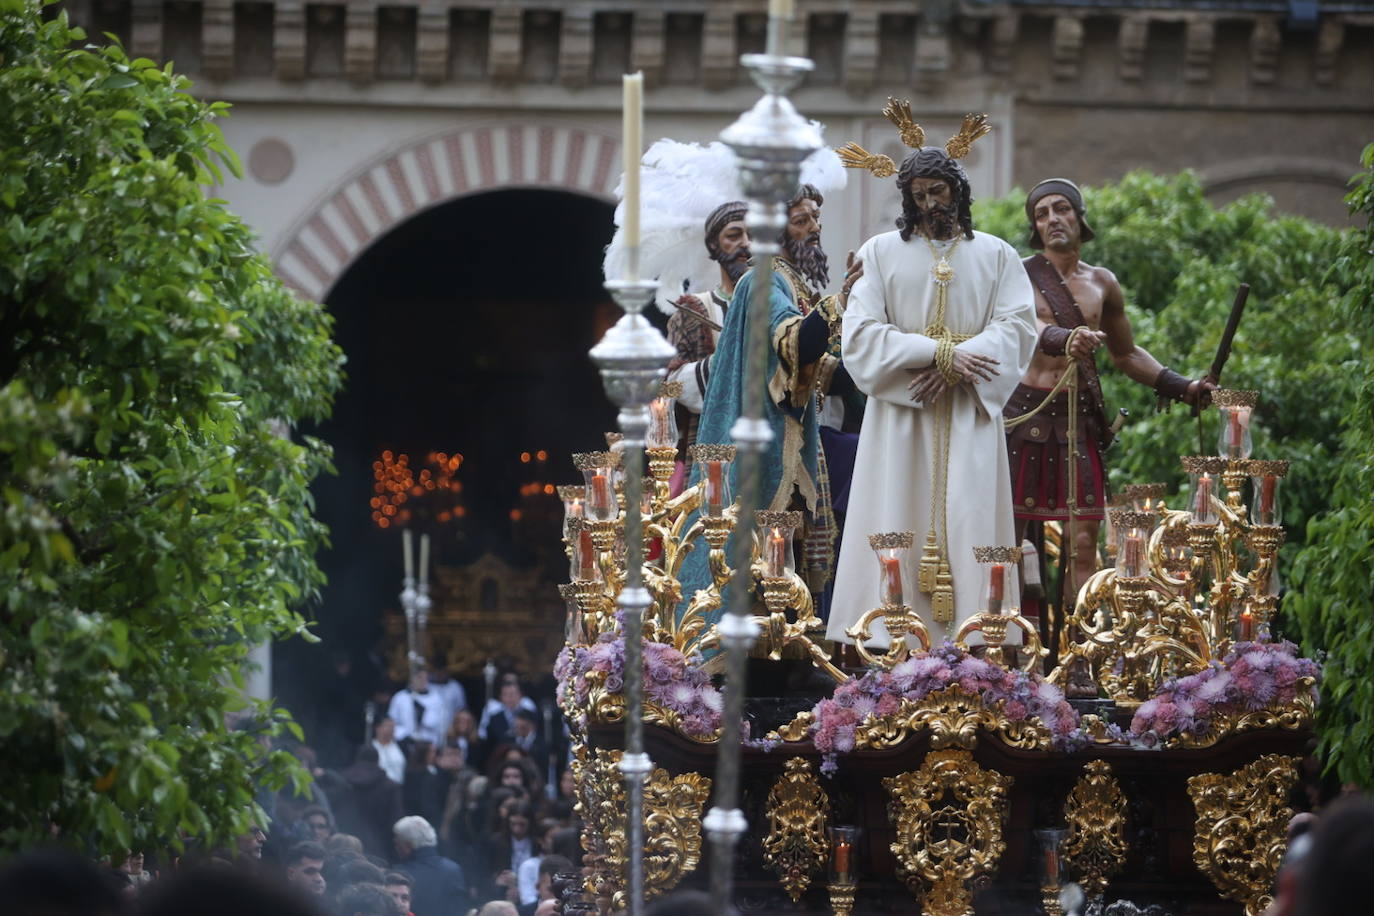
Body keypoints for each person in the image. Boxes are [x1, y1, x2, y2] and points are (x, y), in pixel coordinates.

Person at [827, 109, 1037, 647]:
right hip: (902, 415)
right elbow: (862, 335)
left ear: (958, 190)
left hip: (968, 411)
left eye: (939, 191)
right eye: (919, 194)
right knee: (895, 511)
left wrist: (962, 367)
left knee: (971, 517)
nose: (930, 205)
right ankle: (887, 644)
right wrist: (939, 355)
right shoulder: (880, 253)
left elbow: (1017, 325)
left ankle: (976, 641)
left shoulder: (996, 254)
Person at [1006, 178, 1215, 596]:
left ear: (1080, 218)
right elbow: (1026, 326)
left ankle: (1080, 650)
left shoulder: (1103, 283)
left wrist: (1182, 386)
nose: (1052, 219)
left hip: (1079, 424)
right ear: (1035, 227)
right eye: (1041, 213)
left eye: (1061, 208)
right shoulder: (1017, 274)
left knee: (1084, 543)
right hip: (1023, 418)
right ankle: (1009, 651)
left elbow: (1126, 354)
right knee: (1010, 544)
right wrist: (1064, 338)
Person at [677, 182, 857, 637]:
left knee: (790, 549)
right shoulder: (766, 279)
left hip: (793, 437)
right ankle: (772, 650)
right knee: (767, 553)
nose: (814, 229)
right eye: (802, 221)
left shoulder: (789, 281)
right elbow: (793, 341)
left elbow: (828, 365)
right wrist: (842, 302)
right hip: (764, 443)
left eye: (816, 219)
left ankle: (793, 643)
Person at [664, 200, 752, 469]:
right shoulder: (694, 311)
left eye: (754, 235)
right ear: (714, 246)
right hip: (714, 453)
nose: (746, 244)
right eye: (734, 235)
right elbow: (671, 385)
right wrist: (723, 361)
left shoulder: (779, 304)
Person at [334, 745, 404, 858]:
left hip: (346, 845)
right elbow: (395, 820)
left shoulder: (342, 781)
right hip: (379, 849)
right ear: (377, 760)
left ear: (357, 759)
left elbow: (335, 811)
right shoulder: (390, 786)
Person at [393, 815, 468, 916]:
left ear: (407, 845)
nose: (396, 848)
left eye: (397, 844)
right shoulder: (453, 870)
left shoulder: (398, 874)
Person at [388, 668, 450, 750]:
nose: (423, 681)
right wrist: (404, 736)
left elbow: (442, 723)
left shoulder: (436, 698)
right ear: (411, 678)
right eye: (419, 677)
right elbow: (392, 722)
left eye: (426, 678)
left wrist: (423, 714)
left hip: (429, 744)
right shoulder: (400, 697)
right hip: (405, 743)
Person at [373, 716, 408, 786]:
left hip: (397, 788)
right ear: (378, 728)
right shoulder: (371, 748)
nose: (391, 729)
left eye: (393, 727)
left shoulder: (401, 747)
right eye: (388, 726)